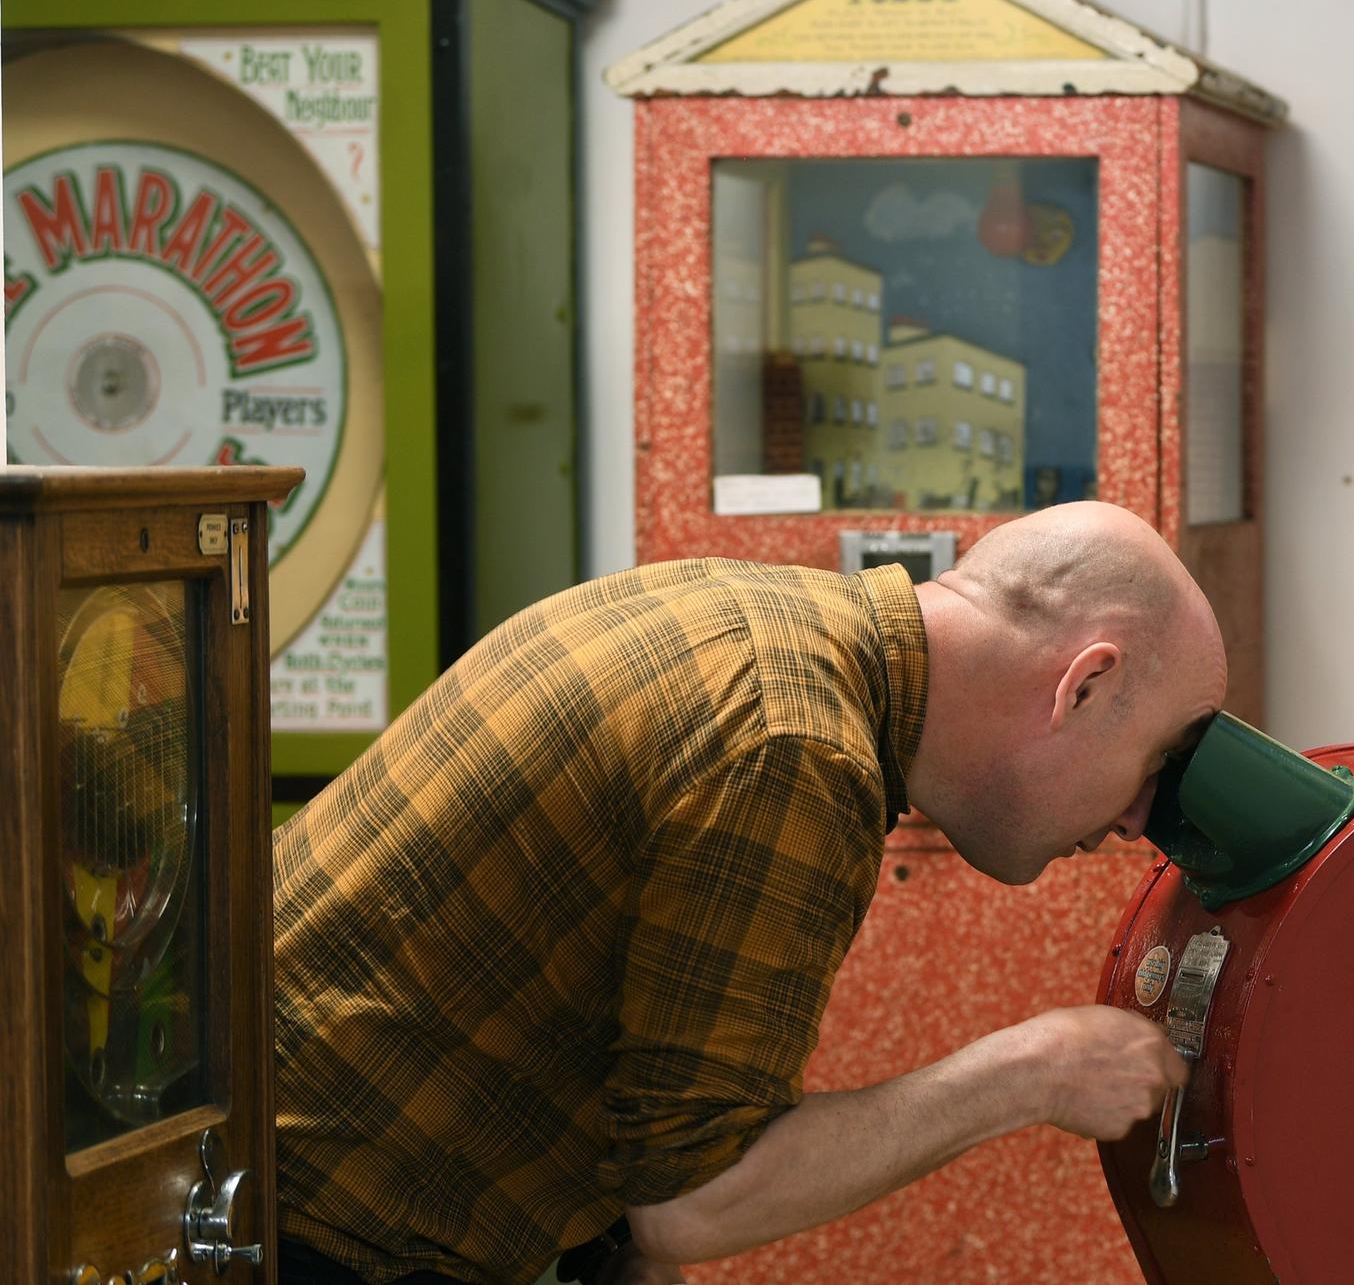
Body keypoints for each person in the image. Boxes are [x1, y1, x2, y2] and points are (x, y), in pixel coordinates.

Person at [272, 501, 1223, 1285]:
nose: (1137, 821)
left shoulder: (751, 615)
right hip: (321, 1238)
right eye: (1156, 763)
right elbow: (692, 1205)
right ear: (1085, 685)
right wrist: (1034, 1071)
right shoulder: (794, 751)